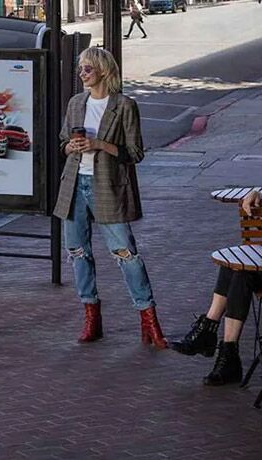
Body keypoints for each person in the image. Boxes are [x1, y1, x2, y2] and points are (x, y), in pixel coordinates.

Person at [171, 123, 262, 386]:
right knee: (233, 267)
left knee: (240, 270)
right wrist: (255, 192)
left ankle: (215, 342)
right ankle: (220, 344)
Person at [55, 47, 167, 348]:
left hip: (107, 186)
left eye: (87, 69)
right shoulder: (76, 103)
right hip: (74, 185)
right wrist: (72, 147)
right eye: (80, 68)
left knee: (125, 253)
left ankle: (148, 318)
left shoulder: (124, 105)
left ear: (104, 71)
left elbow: (135, 153)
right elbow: (63, 143)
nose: (82, 74)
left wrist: (99, 144)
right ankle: (91, 317)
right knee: (78, 252)